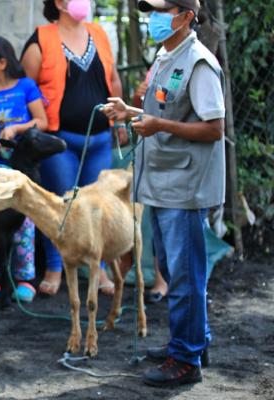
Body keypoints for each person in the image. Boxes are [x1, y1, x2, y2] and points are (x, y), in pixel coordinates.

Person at [101, 0, 224, 387]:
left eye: (162, 10)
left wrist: (156, 125)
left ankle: (186, 362)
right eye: (151, 11)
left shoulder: (200, 63)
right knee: (173, 269)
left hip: (185, 185)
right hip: (163, 180)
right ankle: (191, 341)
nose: (153, 18)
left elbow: (214, 128)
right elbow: (161, 112)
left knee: (184, 273)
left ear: (187, 15)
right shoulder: (167, 55)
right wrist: (130, 111)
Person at [21, 0, 123, 296]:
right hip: (59, 142)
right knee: (61, 205)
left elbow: (113, 80)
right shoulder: (40, 39)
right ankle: (55, 266)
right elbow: (28, 91)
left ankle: (98, 269)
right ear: (59, 3)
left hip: (100, 139)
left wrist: (118, 122)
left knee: (97, 207)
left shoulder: (99, 33)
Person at [0, 36, 48, 303]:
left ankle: (25, 277)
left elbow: (42, 121)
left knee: (23, 223)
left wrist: (16, 129)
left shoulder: (26, 87)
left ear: (2, 63)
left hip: (21, 174)